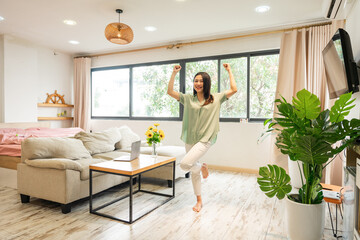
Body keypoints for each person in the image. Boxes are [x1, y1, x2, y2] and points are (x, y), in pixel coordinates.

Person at [167, 63, 237, 212]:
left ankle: (201, 167)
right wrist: (174, 73)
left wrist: (229, 71)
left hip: (205, 139)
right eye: (196, 80)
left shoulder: (216, 98)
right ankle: (199, 200)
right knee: (194, 171)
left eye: (201, 81)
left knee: (185, 165)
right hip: (190, 138)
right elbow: (170, 91)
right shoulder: (187, 99)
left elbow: (234, 89)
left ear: (206, 83)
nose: (198, 83)